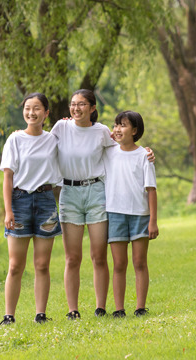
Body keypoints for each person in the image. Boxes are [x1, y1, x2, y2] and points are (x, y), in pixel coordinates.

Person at [50, 89, 154, 320]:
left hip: (97, 192)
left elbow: (125, 147)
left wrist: (146, 153)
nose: (76, 108)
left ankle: (100, 307)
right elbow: (42, 144)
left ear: (92, 108)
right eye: (73, 104)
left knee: (98, 255)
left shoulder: (102, 132)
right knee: (72, 257)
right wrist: (21, 134)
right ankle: (73, 309)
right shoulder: (60, 127)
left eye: (82, 104)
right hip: (69, 193)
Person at [0, 92, 62, 325]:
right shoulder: (14, 140)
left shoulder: (54, 139)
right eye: (27, 108)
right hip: (20, 201)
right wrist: (8, 211)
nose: (31, 113)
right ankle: (9, 316)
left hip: (46, 201)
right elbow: (8, 177)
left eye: (37, 109)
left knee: (42, 264)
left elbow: (81, 136)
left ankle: (40, 314)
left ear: (46, 113)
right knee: (15, 265)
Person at [103, 110, 158, 318]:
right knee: (118, 264)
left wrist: (153, 220)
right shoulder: (108, 152)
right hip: (115, 213)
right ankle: (119, 309)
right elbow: (89, 139)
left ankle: (140, 307)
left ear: (135, 131)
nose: (118, 129)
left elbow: (151, 189)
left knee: (139, 262)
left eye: (123, 125)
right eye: (116, 125)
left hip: (140, 215)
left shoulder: (144, 155)